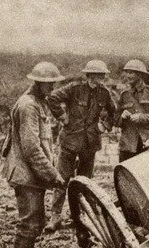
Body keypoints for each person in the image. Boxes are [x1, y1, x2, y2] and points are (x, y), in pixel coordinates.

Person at [1, 62, 66, 248]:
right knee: (29, 222)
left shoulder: (38, 103)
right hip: (25, 173)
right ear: (37, 82)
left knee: (35, 221)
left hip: (32, 173)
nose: (52, 87)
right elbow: (31, 148)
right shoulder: (28, 105)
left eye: (53, 83)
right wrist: (52, 174)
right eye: (48, 84)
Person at [45, 59, 116, 232]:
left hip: (90, 144)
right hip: (70, 141)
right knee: (61, 179)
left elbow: (114, 111)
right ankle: (55, 217)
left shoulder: (104, 94)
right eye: (94, 75)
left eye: (101, 75)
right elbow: (53, 98)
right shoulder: (74, 88)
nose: (97, 78)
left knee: (85, 182)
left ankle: (81, 216)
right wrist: (62, 117)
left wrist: (104, 125)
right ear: (88, 75)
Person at [115, 59, 149, 162]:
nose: (128, 76)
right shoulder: (124, 95)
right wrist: (122, 117)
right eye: (127, 72)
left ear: (140, 74)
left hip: (147, 143)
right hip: (127, 146)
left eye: (132, 72)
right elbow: (115, 120)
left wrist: (141, 117)